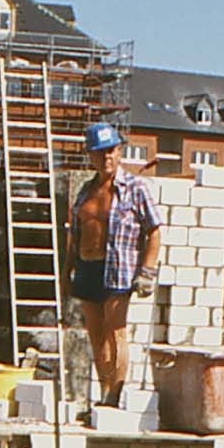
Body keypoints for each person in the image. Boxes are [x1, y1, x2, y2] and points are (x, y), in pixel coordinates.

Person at [68, 122, 162, 408]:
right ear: (90, 156)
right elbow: (74, 235)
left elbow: (154, 230)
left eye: (111, 151)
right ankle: (104, 392)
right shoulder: (85, 191)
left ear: (120, 151)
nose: (106, 157)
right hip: (87, 268)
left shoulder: (135, 188)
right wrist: (65, 275)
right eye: (99, 153)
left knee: (115, 331)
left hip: (118, 269)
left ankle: (115, 396)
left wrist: (147, 271)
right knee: (96, 335)